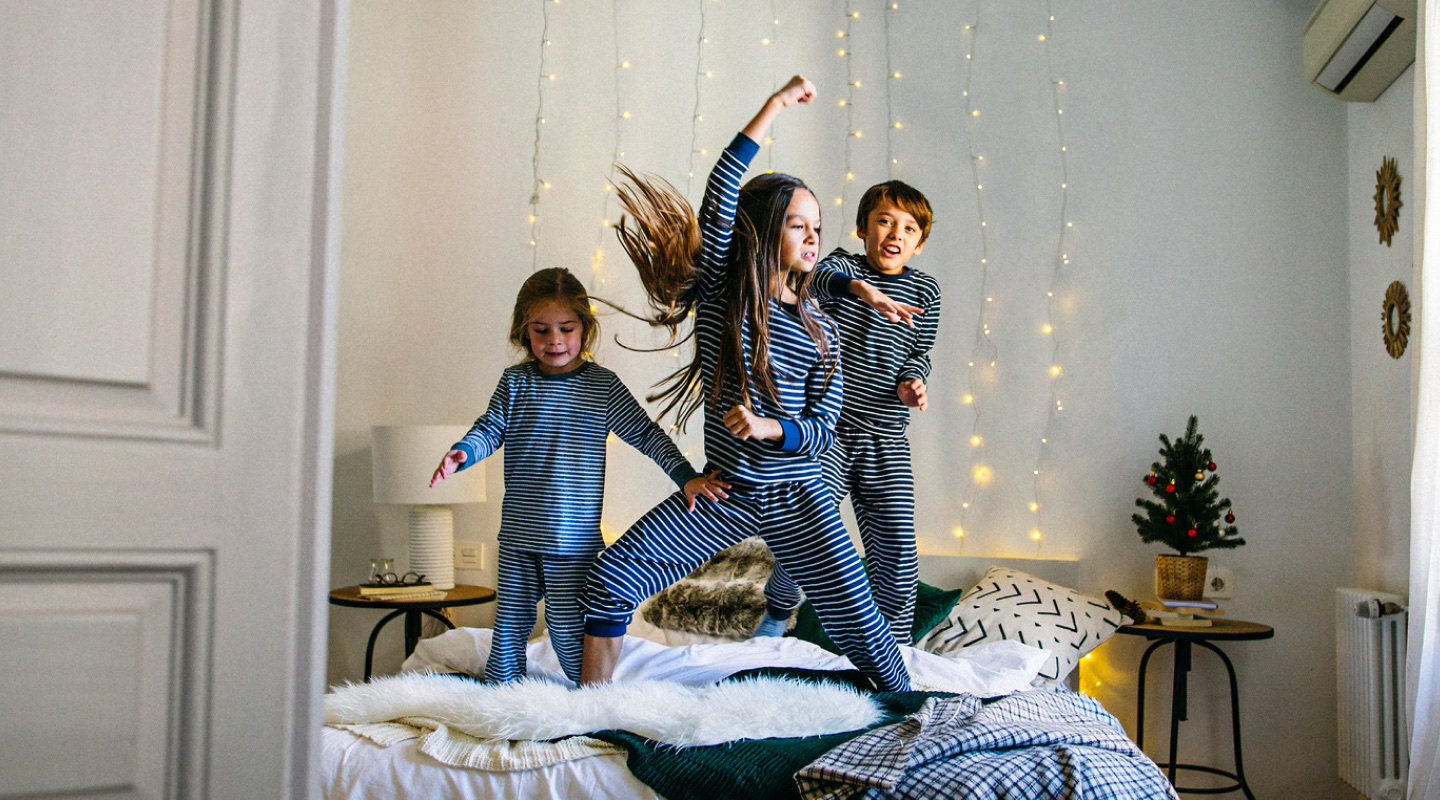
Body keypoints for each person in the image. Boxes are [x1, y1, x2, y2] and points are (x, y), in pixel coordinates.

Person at [577, 76, 912, 692]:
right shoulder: (725, 300)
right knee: (609, 578)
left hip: (803, 498)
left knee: (866, 631)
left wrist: (771, 427)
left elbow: (819, 434)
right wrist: (775, 107)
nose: (813, 237)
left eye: (817, 226)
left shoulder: (823, 332)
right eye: (796, 225)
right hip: (726, 493)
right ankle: (592, 710)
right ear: (760, 233)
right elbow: (722, 188)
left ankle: (910, 713)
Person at [430, 268, 727, 684]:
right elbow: (489, 428)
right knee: (509, 632)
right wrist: (463, 452)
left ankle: (585, 702)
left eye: (566, 329)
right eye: (541, 330)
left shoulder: (601, 386)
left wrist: (686, 476)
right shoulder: (516, 383)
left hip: (573, 543)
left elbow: (645, 434)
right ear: (523, 332)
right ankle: (502, 703)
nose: (554, 341)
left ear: (584, 329)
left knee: (571, 637)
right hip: (518, 537)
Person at [753, 180, 940, 644]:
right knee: (807, 531)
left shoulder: (928, 292)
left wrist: (912, 382)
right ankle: (778, 610)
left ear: (919, 243)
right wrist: (863, 290)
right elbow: (816, 279)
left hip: (886, 436)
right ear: (862, 228)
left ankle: (893, 647)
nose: (895, 233)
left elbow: (921, 350)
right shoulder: (838, 265)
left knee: (896, 548)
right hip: (830, 432)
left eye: (909, 228)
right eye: (884, 221)